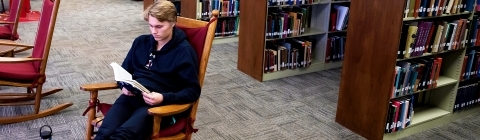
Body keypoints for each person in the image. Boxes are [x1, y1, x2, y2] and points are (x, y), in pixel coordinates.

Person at [93, 1, 201, 140]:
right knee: (104, 133)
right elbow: (125, 71)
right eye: (150, 25)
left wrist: (163, 98)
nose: (153, 31)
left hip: (158, 106)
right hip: (130, 97)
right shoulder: (140, 42)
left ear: (173, 22)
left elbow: (192, 91)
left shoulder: (184, 52)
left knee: (122, 136)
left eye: (159, 26)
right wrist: (123, 86)